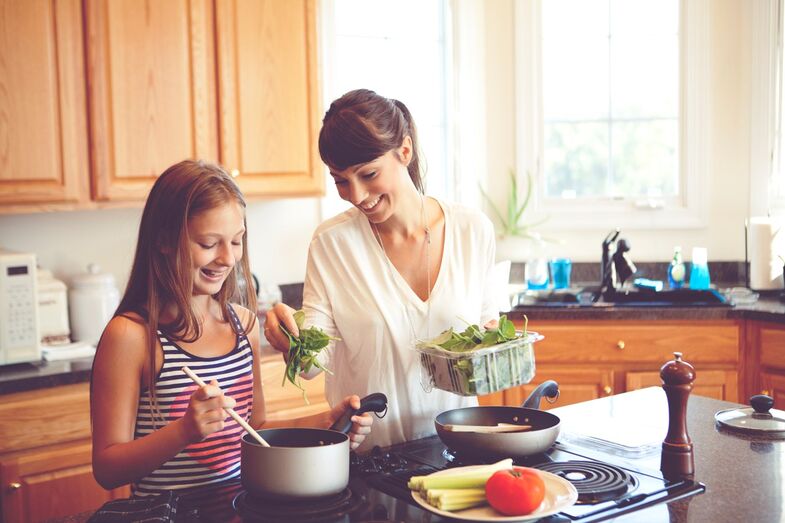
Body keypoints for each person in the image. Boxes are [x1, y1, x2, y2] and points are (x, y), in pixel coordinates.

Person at [90, 160, 373, 497]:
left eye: (236, 241)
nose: (228, 258)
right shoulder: (131, 336)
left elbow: (256, 429)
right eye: (209, 243)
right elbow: (107, 469)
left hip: (239, 509)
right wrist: (183, 431)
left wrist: (327, 423)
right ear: (165, 241)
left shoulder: (244, 324)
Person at [264, 89, 500, 448]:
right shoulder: (332, 245)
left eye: (368, 174)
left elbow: (489, 331)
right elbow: (313, 364)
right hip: (370, 460)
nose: (356, 195)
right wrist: (291, 340)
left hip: (459, 451)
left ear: (404, 151)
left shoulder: (472, 230)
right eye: (340, 180)